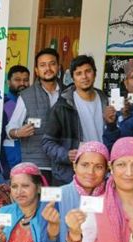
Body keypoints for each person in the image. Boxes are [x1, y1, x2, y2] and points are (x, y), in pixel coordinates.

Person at [42, 55, 108, 185]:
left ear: (94, 74)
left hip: (101, 171)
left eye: (88, 71)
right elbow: (47, 143)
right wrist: (66, 155)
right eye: (78, 73)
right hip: (70, 175)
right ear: (73, 78)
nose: (84, 77)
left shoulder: (105, 100)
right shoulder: (62, 106)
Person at [6, 48, 62, 183]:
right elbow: (10, 128)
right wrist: (18, 132)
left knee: (59, 202)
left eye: (52, 64)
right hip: (36, 165)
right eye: (42, 65)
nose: (48, 68)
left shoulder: (69, 93)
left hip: (63, 164)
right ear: (37, 70)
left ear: (58, 67)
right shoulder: (26, 96)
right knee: (37, 203)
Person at [0, 64, 30, 179]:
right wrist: (5, 169)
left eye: (26, 80)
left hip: (29, 165)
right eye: (17, 80)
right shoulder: (2, 105)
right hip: (8, 167)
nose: (22, 83)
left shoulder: (33, 102)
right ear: (8, 82)